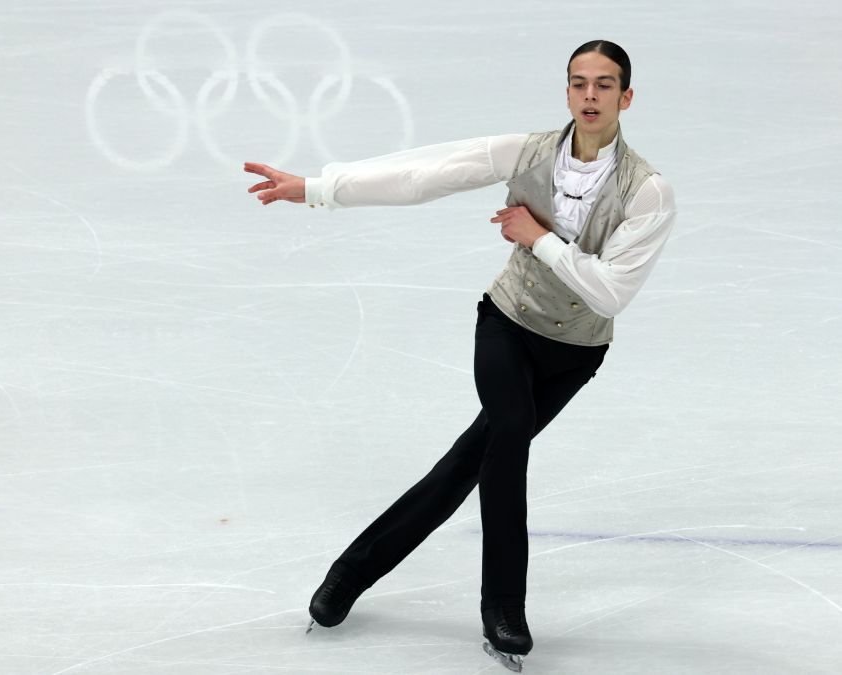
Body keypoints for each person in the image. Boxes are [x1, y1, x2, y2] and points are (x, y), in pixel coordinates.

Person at [244, 40, 676, 672]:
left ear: (626, 97)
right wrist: (316, 188)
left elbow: (611, 292)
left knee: (468, 463)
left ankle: (351, 571)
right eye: (579, 83)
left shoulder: (649, 193)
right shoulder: (525, 152)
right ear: (566, 92)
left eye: (604, 85)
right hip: (507, 323)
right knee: (508, 438)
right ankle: (504, 609)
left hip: (575, 353)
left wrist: (539, 237)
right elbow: (424, 174)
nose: (590, 95)